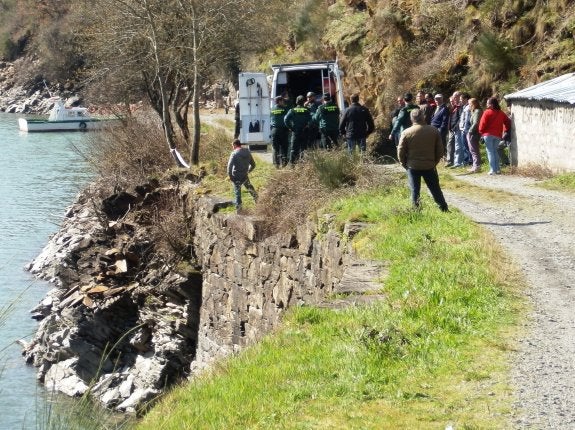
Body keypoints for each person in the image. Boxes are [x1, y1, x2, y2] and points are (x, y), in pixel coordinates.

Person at [397, 109, 449, 212]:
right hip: (429, 165)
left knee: (414, 190)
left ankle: (416, 211)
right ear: (423, 117)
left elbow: (401, 150)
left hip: (412, 166)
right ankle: (443, 208)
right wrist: (434, 162)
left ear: (412, 118)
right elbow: (440, 150)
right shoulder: (434, 130)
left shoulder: (406, 132)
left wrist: (404, 164)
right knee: (435, 189)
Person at [478, 97, 511, 175]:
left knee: (490, 152)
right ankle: (498, 169)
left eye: (488, 103)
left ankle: (492, 170)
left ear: (491, 105)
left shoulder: (487, 112)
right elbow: (508, 122)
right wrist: (505, 131)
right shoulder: (501, 113)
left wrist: (481, 132)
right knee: (495, 151)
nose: (486, 104)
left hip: (488, 135)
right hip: (498, 135)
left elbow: (482, 124)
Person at [227, 139, 257, 213]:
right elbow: (253, 165)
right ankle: (259, 202)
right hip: (244, 175)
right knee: (250, 188)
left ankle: (239, 211)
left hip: (236, 176)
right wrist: (248, 171)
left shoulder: (234, 153)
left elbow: (229, 167)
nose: (232, 148)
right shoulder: (247, 152)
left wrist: (231, 177)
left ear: (235, 145)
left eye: (232, 146)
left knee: (238, 193)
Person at [284, 95, 312, 164]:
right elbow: (311, 120)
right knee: (304, 149)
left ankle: (292, 165)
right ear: (303, 102)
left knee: (293, 149)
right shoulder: (307, 110)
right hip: (304, 132)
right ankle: (303, 164)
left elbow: (286, 119)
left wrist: (291, 128)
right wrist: (307, 126)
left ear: (296, 102)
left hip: (295, 132)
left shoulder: (292, 110)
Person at [270, 95, 290, 167]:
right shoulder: (284, 109)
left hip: (274, 130)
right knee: (284, 147)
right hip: (283, 130)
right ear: (279, 101)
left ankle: (276, 164)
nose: (283, 102)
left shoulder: (272, 109)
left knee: (275, 148)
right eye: (282, 101)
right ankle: (284, 163)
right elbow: (288, 118)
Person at [466, 97, 483, 173]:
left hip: (474, 133)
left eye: (469, 104)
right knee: (473, 149)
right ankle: (475, 165)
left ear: (473, 104)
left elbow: (476, 123)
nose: (469, 105)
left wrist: (470, 131)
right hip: (474, 132)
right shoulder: (475, 111)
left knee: (474, 150)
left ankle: (477, 166)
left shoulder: (477, 111)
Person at [446, 91, 461, 167]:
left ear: (459, 96)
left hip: (457, 128)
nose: (454, 99)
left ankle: (457, 161)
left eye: (455, 97)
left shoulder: (460, 106)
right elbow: (450, 118)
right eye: (453, 97)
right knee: (451, 143)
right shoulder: (453, 106)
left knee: (457, 144)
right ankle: (450, 160)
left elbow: (460, 118)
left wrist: (455, 126)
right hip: (451, 128)